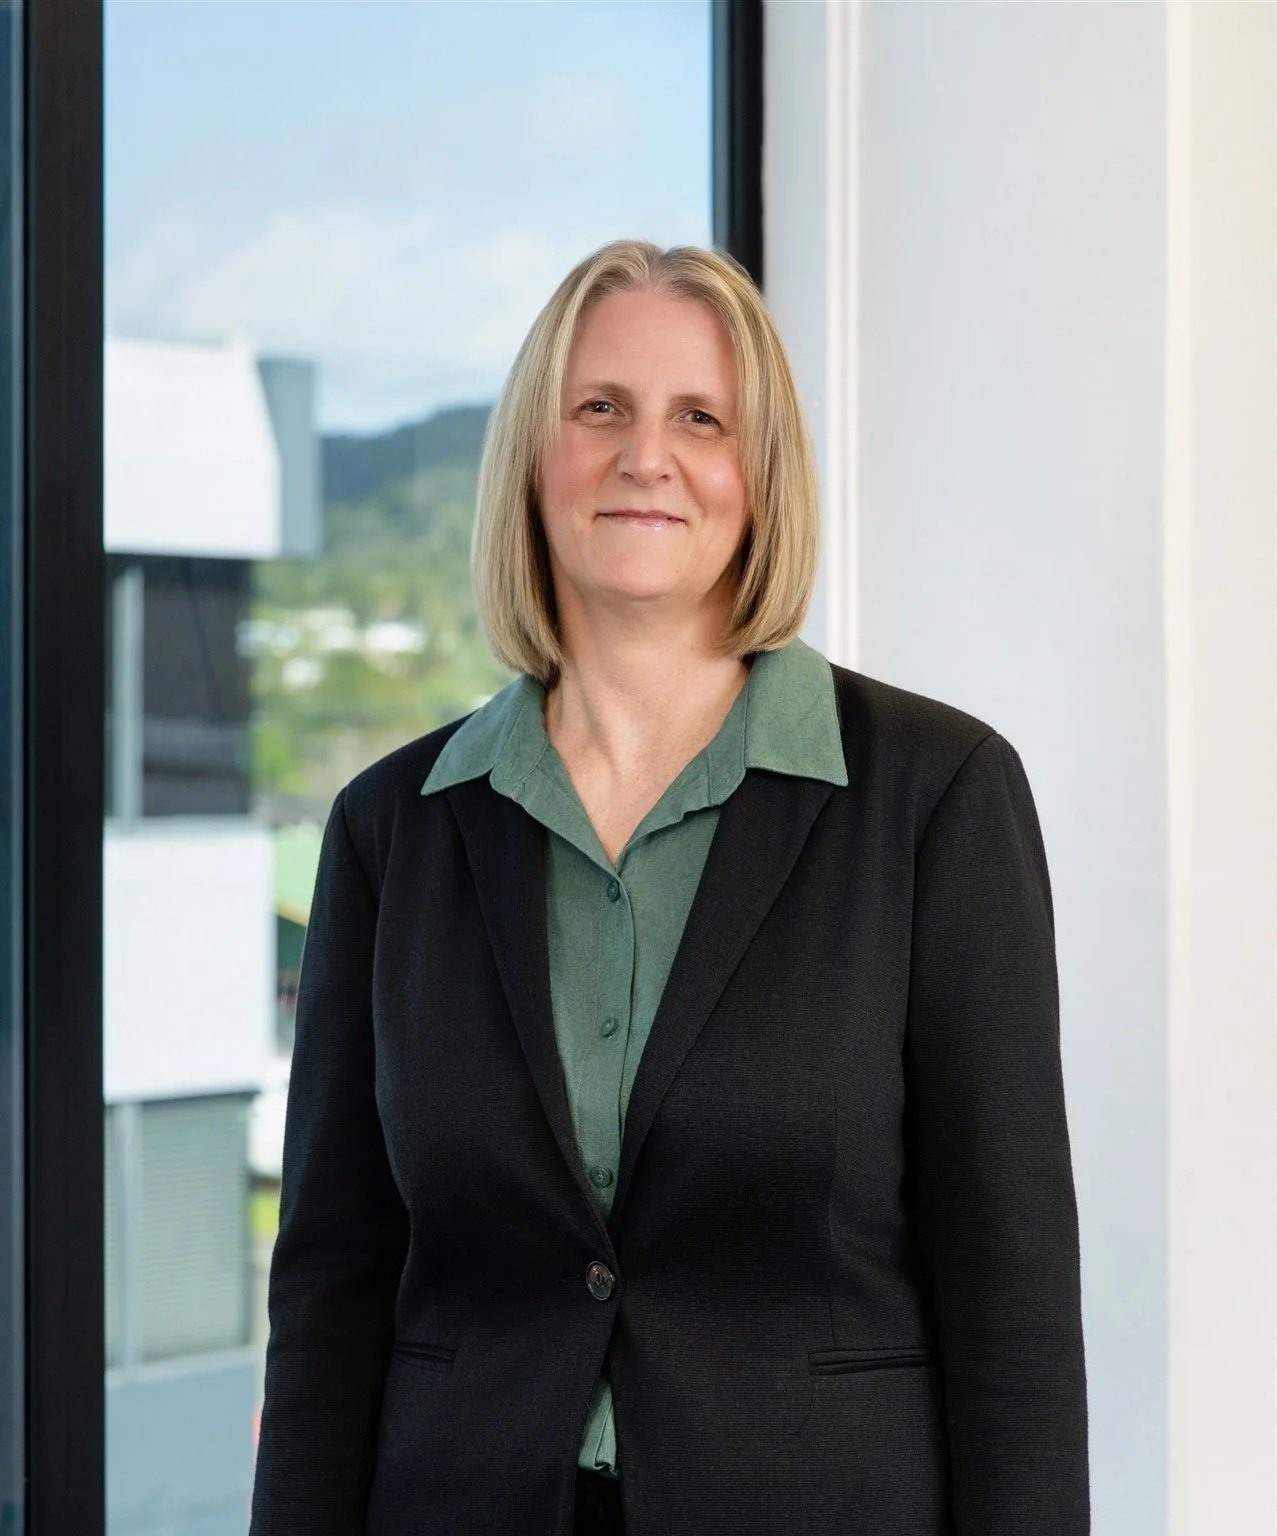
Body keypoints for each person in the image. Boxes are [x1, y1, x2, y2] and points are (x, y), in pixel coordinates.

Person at [247, 239, 1089, 1536]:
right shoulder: (387, 833)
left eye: (700, 418)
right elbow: (331, 1290)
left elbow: (1010, 1295)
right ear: (534, 457)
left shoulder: (937, 797)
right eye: (600, 410)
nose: (647, 457)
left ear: (759, 476)